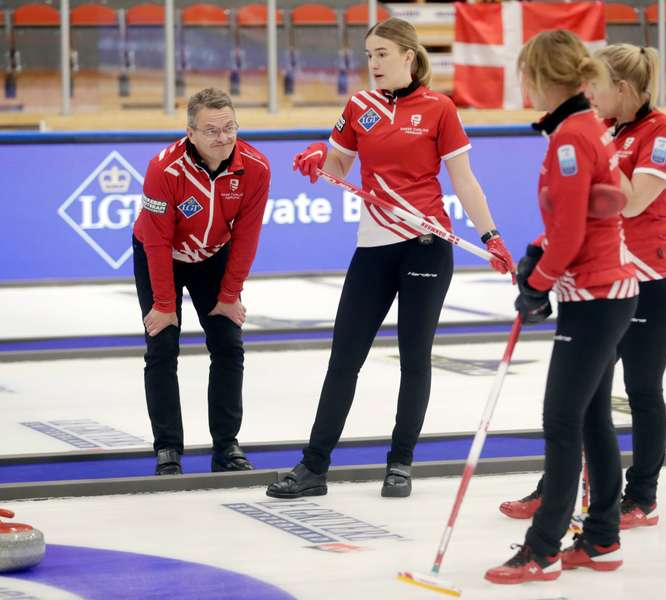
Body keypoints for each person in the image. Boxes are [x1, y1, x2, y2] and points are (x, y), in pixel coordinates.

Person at [266, 17, 515, 500]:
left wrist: (491, 235)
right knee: (345, 358)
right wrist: (320, 156)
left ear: (408, 55)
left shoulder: (439, 108)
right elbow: (338, 166)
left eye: (382, 53)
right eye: (368, 55)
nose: (373, 63)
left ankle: (400, 464)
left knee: (414, 359)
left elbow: (463, 179)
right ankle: (313, 467)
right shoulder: (359, 106)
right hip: (374, 248)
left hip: (426, 244)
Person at [498, 43, 666, 531]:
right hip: (604, 284)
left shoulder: (659, 130)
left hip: (653, 280)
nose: (591, 96)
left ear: (622, 89)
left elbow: (632, 203)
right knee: (581, 400)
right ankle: (557, 491)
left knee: (642, 391)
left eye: (598, 87)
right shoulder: (600, 131)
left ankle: (641, 496)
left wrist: (595, 157)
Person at [484, 30, 638, 585]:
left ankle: (543, 548)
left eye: (525, 73)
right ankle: (600, 538)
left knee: (561, 419)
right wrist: (537, 253)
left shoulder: (571, 137)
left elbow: (573, 231)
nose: (521, 83)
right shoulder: (583, 126)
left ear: (543, 77)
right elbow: (574, 223)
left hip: (597, 294)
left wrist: (538, 282)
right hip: (599, 291)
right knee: (591, 416)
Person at [132, 88, 270, 476]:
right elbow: (157, 241)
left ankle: (226, 445)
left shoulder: (255, 167)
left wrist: (229, 295)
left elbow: (247, 236)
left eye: (229, 128)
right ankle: (168, 449)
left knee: (228, 345)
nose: (223, 138)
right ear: (190, 132)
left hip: (214, 255)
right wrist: (163, 304)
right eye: (211, 130)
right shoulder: (163, 169)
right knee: (162, 346)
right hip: (160, 255)